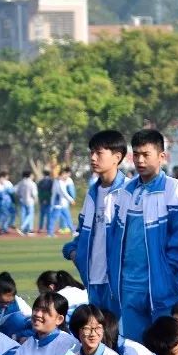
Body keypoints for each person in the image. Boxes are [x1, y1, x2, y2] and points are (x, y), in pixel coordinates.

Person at [107, 130, 178, 342]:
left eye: (146, 154)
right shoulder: (126, 191)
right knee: (136, 349)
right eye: (136, 155)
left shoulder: (173, 189)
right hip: (128, 285)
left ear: (162, 156)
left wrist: (168, 276)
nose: (140, 160)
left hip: (161, 286)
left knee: (167, 348)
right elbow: (115, 239)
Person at [63, 129, 129, 311]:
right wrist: (74, 252)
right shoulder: (92, 193)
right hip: (92, 278)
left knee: (120, 335)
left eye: (99, 153)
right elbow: (83, 231)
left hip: (118, 282)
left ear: (117, 157)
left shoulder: (129, 191)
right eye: (91, 152)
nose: (93, 158)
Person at [46, 169, 75, 236]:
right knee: (53, 218)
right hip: (58, 204)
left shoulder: (58, 181)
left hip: (62, 204)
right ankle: (50, 233)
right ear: (62, 175)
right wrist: (71, 200)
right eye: (65, 174)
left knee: (67, 217)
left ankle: (73, 231)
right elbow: (63, 193)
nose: (66, 176)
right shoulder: (59, 182)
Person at [15, 170, 36, 236]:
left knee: (23, 215)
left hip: (22, 200)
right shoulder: (32, 183)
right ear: (29, 175)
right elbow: (34, 193)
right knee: (30, 215)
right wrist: (35, 199)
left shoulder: (21, 183)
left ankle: (27, 230)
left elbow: (17, 192)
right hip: (30, 201)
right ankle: (24, 228)